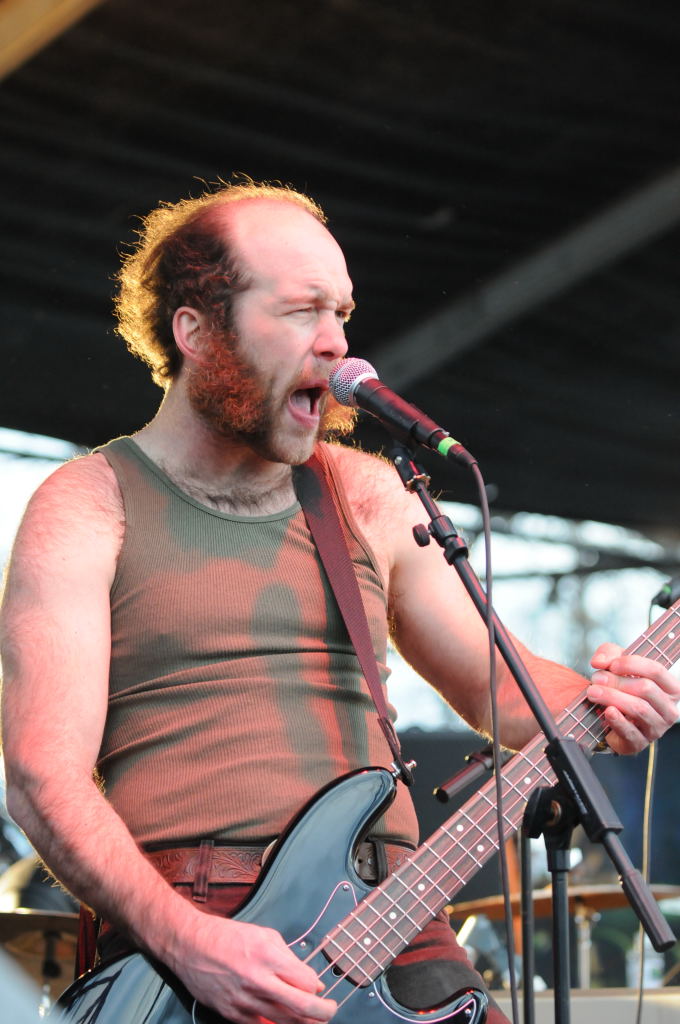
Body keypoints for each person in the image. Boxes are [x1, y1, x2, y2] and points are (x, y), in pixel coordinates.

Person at [1, 180, 678, 1024]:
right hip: (184, 926)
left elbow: (505, 690)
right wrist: (186, 939)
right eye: (300, 312)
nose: (338, 344)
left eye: (342, 313)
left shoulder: (367, 495)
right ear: (195, 332)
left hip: (391, 917)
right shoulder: (88, 503)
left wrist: (614, 698)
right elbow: (41, 776)